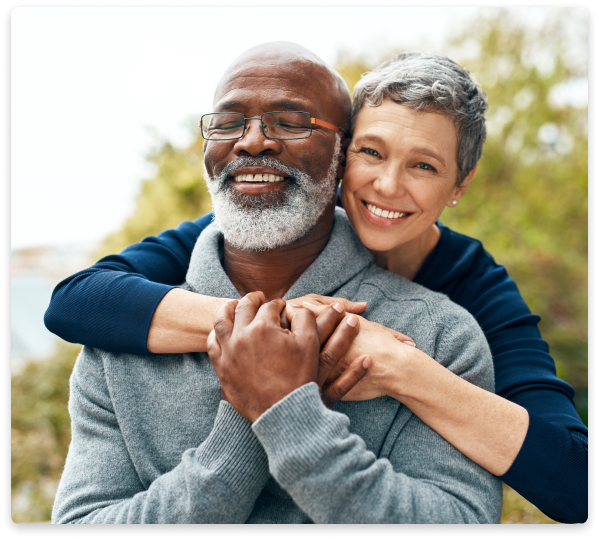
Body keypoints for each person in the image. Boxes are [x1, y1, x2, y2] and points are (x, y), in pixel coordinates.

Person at [46, 50, 588, 523]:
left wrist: (403, 370)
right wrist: (268, 333)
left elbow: (572, 483)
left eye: (423, 165)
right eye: (372, 153)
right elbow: (76, 299)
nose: (388, 185)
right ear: (344, 157)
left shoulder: (462, 310)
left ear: (459, 186)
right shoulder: (224, 237)